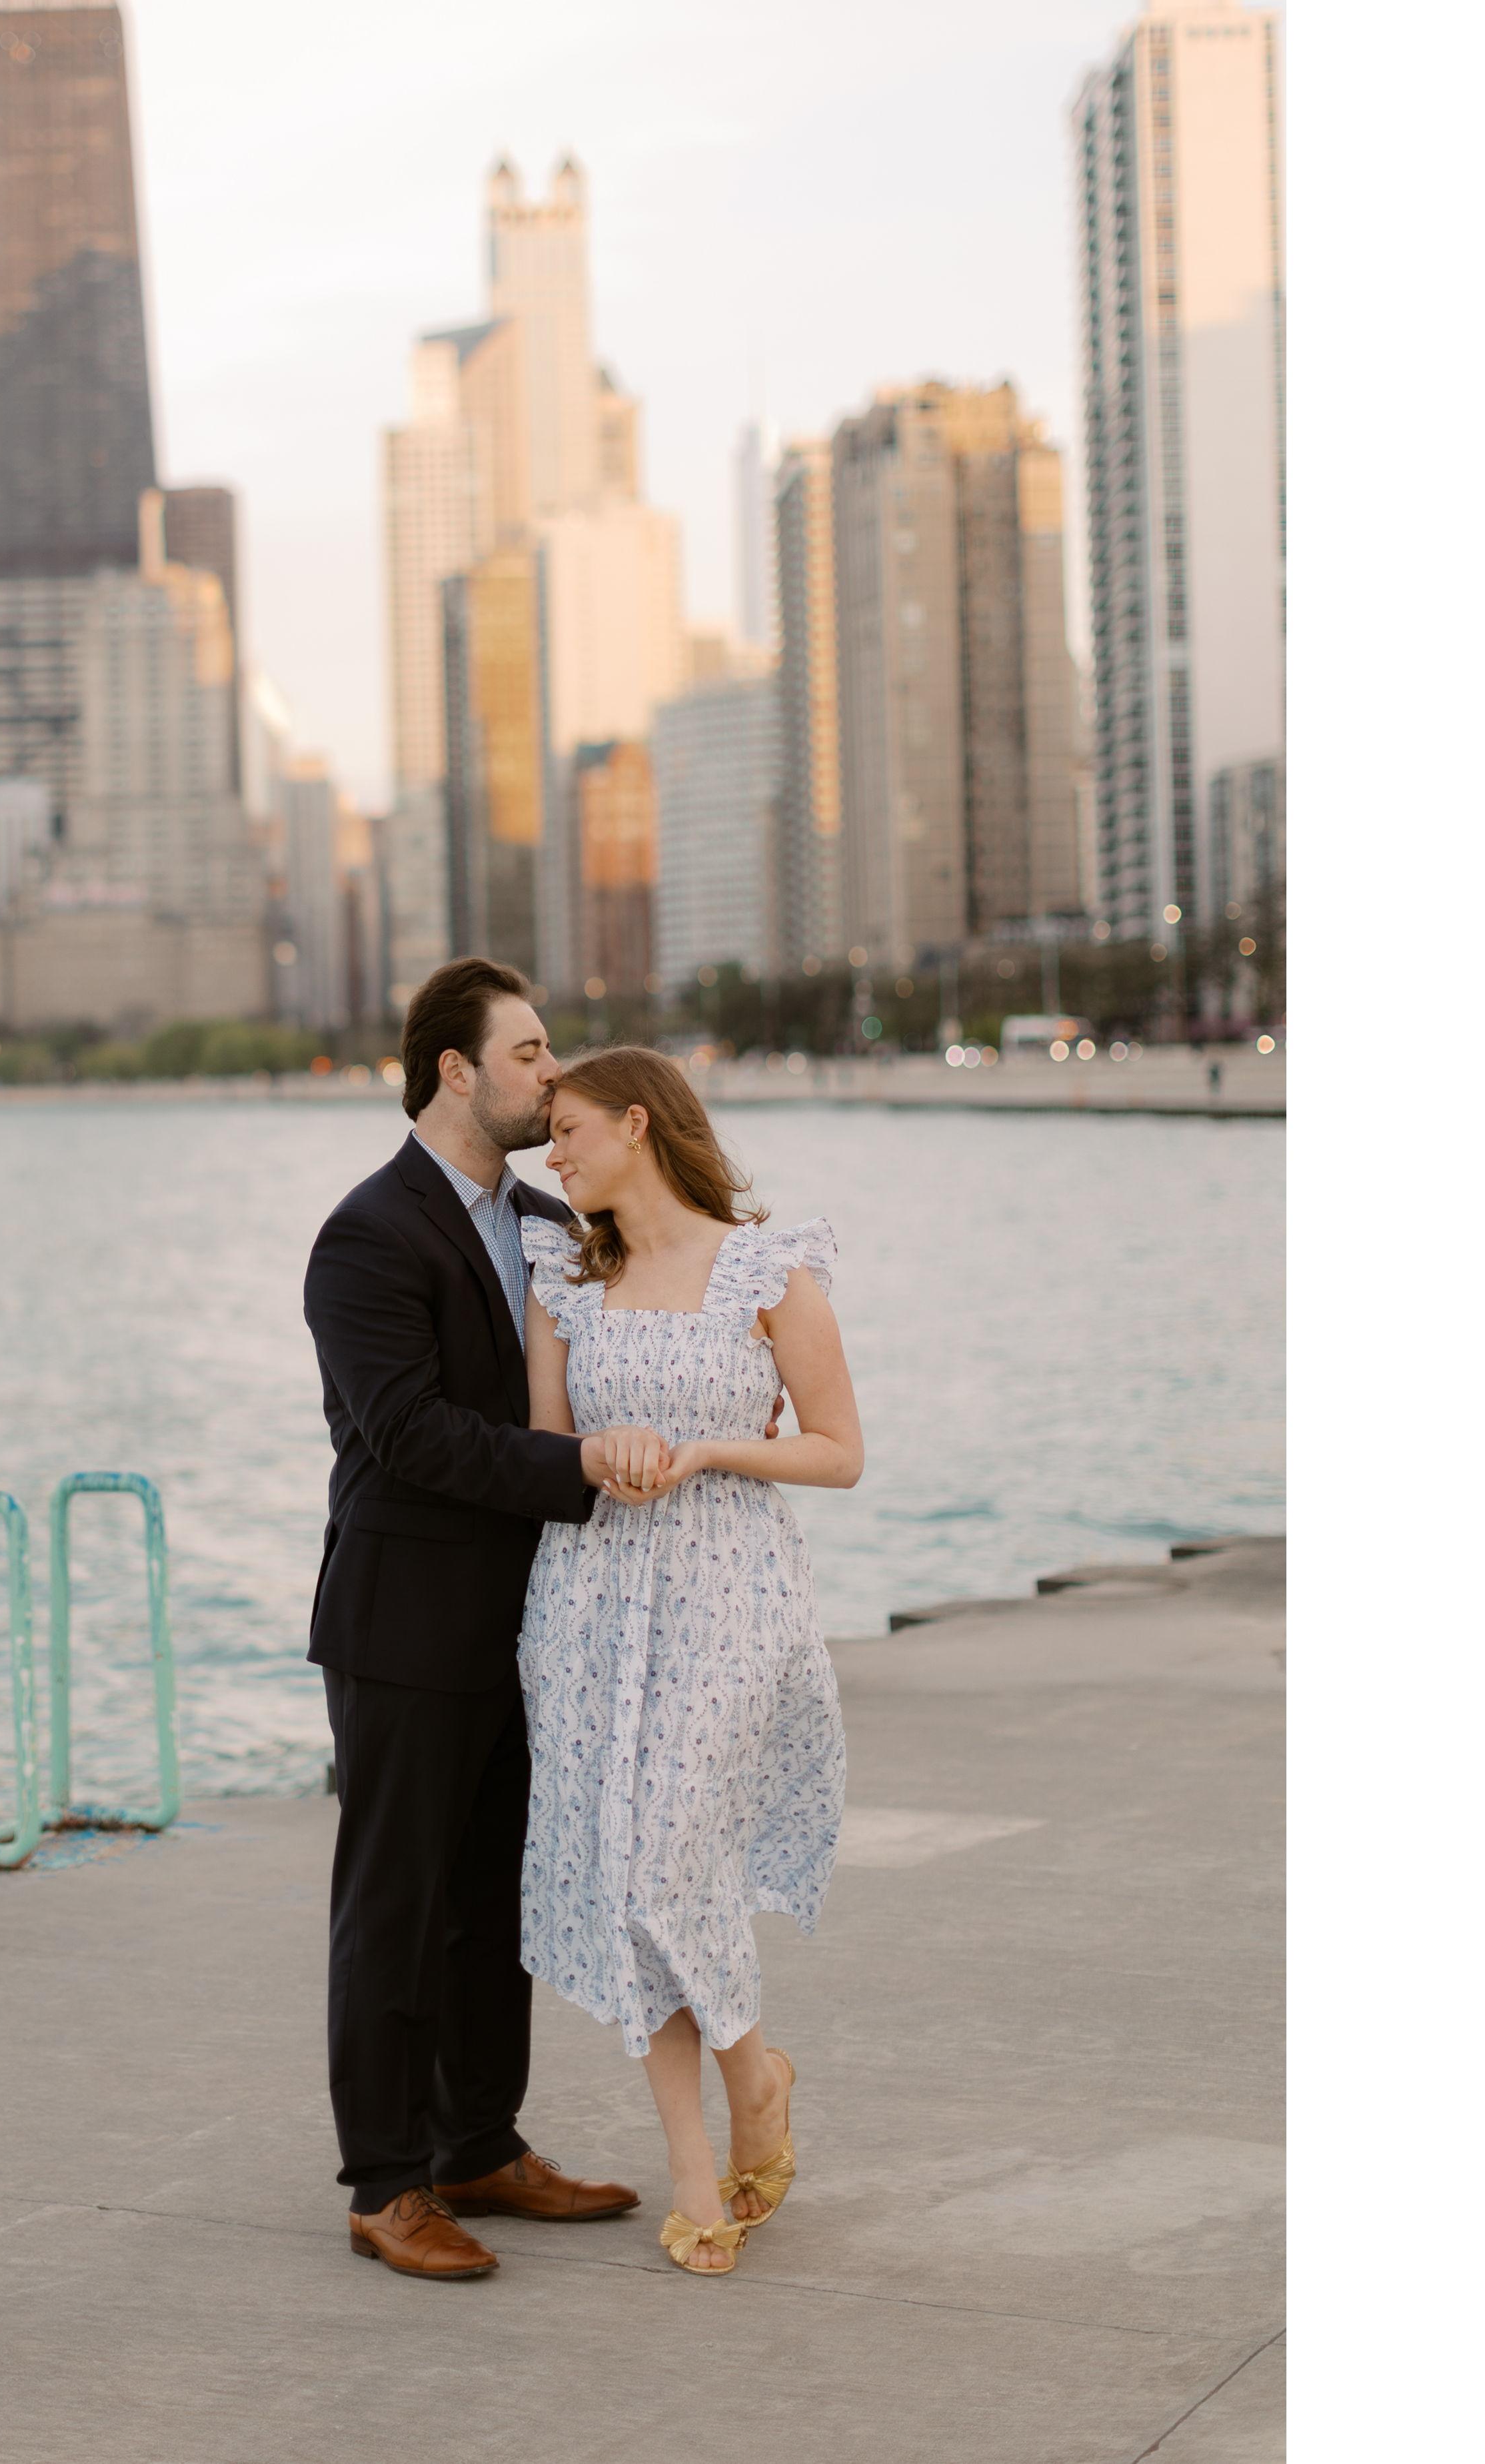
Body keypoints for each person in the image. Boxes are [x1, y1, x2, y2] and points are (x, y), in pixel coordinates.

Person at [299, 957, 661, 2280]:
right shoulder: (366, 1236)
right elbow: (411, 1437)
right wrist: (581, 1468)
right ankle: (386, 2184)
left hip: (532, 1622)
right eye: (529, 1052)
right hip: (404, 1623)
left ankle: (477, 2147)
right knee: (393, 1907)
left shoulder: (555, 1223)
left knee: (492, 1903)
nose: (552, 1073)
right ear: (455, 1072)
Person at [515, 1043, 864, 2277]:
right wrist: (600, 1451)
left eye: (566, 1131)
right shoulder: (565, 1281)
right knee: (626, 1877)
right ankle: (692, 2174)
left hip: (728, 1595)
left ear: (637, 1124)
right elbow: (549, 1449)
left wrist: (710, 1451)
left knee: (669, 1856)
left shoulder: (767, 1268)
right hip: (593, 1604)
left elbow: (838, 1451)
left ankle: (755, 2079)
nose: (552, 1156)